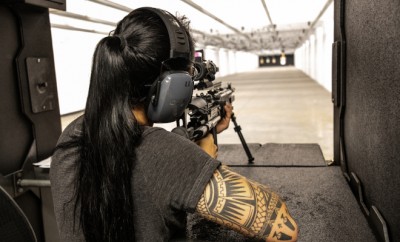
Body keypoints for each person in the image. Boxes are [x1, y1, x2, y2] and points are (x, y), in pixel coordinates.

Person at [50, 7, 298, 242]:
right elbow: (284, 228)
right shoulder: (165, 154)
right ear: (174, 85)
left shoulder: (71, 137)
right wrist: (196, 159)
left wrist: (191, 139)